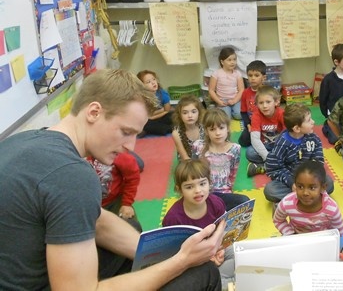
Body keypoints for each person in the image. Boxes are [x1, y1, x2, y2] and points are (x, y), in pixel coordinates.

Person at [0, 69, 224, 290]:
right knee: (204, 273)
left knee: (132, 228)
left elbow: (97, 220)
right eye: (126, 132)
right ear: (94, 112)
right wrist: (182, 261)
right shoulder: (71, 175)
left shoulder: (26, 140)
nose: (131, 146)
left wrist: (166, 253)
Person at [163, 159, 235, 288]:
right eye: (189, 187)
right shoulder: (173, 218)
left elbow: (223, 230)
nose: (198, 190)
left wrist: (220, 248)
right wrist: (206, 258)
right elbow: (174, 255)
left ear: (209, 183)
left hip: (215, 250)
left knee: (240, 253)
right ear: (179, 189)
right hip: (192, 261)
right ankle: (223, 281)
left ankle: (226, 279)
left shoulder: (216, 203)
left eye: (202, 184)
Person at [264, 103, 334, 203]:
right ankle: (307, 197)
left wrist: (312, 177)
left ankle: (297, 198)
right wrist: (291, 183)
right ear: (297, 128)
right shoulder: (282, 143)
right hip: (290, 179)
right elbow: (274, 169)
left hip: (310, 178)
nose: (313, 122)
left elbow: (319, 161)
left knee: (329, 183)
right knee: (270, 190)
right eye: (309, 120)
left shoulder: (314, 139)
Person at [192, 108, 250, 210]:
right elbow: (192, 173)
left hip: (223, 194)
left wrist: (230, 190)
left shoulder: (235, 149)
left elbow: (233, 172)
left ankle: (216, 211)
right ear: (206, 131)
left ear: (227, 128)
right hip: (203, 194)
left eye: (221, 128)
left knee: (244, 201)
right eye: (212, 129)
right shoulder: (198, 146)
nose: (217, 133)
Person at [273, 160, 343, 235]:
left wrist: (323, 239)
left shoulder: (331, 208)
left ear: (323, 188)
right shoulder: (286, 203)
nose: (305, 193)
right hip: (296, 239)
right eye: (300, 187)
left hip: (321, 240)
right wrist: (290, 234)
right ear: (295, 185)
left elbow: (339, 231)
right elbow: (278, 220)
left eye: (312, 188)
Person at [87, 151, 144, 232]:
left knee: (132, 229)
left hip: (114, 201)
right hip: (88, 205)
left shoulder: (120, 155)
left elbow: (132, 179)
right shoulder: (78, 155)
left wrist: (126, 203)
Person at [246, 85, 285, 176]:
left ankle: (264, 167)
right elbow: (255, 139)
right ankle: (275, 164)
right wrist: (267, 157)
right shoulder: (256, 116)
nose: (264, 106)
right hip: (265, 145)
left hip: (279, 145)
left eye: (268, 102)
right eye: (261, 103)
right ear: (257, 104)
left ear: (276, 102)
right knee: (249, 152)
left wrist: (280, 150)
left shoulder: (281, 113)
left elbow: (287, 135)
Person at [319, 43, 343, 144]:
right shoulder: (328, 80)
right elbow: (323, 100)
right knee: (335, 139)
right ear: (336, 62)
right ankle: (327, 126)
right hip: (335, 116)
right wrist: (327, 114)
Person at [208, 47, 244, 120]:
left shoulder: (237, 74)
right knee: (225, 118)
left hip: (235, 100)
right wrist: (219, 101)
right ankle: (220, 109)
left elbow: (241, 89)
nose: (232, 62)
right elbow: (211, 90)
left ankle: (233, 111)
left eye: (234, 59)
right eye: (229, 60)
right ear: (222, 62)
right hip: (222, 101)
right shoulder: (216, 74)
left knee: (239, 115)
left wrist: (235, 100)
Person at [136, 69, 174, 136]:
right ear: (142, 86)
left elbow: (167, 110)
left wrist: (153, 116)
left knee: (173, 115)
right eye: (148, 82)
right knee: (143, 123)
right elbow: (146, 115)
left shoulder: (163, 93)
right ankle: (169, 128)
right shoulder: (141, 98)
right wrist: (162, 110)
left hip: (161, 117)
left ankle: (151, 130)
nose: (153, 82)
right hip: (149, 120)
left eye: (154, 79)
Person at [239, 60, 267, 147]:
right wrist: (248, 125)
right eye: (250, 75)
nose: (253, 78)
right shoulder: (245, 93)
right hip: (252, 124)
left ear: (264, 77)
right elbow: (243, 112)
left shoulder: (268, 92)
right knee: (243, 141)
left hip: (266, 123)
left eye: (256, 75)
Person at [172, 94, 205, 160]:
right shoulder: (176, 133)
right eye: (185, 113)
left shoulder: (204, 128)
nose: (190, 115)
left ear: (199, 113)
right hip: (187, 164)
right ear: (180, 115)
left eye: (193, 112)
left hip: (203, 160)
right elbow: (185, 158)